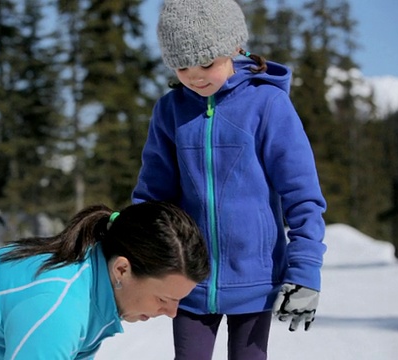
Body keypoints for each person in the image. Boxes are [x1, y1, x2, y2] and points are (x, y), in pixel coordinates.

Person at [131, 0, 328, 359]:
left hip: (257, 280)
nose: (194, 76)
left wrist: (305, 271)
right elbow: (152, 197)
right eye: (181, 66)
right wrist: (134, 251)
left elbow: (303, 198)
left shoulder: (267, 105)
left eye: (206, 62)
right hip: (188, 280)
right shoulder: (170, 110)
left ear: (234, 48)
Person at [0, 201, 210, 359]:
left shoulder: (92, 286)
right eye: (164, 299)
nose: (173, 312)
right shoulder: (59, 304)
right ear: (122, 269)